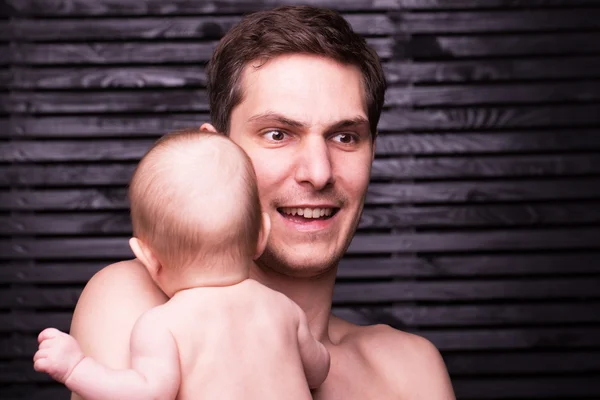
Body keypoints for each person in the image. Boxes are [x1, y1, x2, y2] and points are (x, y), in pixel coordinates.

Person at [69, 5, 455, 399]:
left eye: (345, 137)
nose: (318, 172)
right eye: (278, 134)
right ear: (214, 149)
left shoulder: (410, 370)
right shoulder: (134, 302)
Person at [34, 130, 330, 399]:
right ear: (260, 236)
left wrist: (77, 368)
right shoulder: (285, 309)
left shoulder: (163, 325)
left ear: (147, 256)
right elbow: (318, 371)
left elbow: (144, 393)